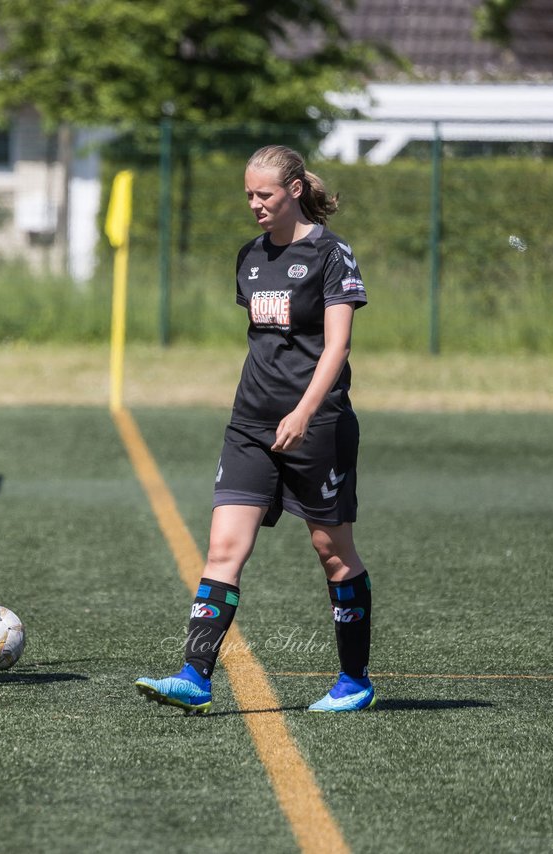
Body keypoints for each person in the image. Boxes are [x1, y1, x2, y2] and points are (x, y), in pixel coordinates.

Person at [134, 145, 375, 714]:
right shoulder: (250, 257)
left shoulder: (331, 254)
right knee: (223, 548)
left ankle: (355, 680)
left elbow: (336, 346)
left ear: (294, 190)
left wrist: (304, 412)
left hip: (316, 426)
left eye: (264, 194)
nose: (254, 205)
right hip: (249, 424)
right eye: (248, 194)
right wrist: (270, 413)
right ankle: (195, 674)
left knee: (331, 551)